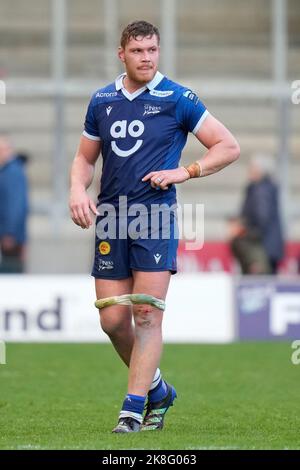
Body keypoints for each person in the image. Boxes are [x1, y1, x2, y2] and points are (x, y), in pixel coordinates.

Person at [69, 20, 240, 433]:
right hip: (111, 218)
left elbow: (228, 146)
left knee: (145, 314)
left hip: (154, 218)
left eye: (152, 51)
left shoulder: (178, 98)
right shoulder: (102, 100)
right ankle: (159, 389)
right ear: (122, 54)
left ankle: (132, 409)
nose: (146, 58)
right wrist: (77, 188)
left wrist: (187, 171)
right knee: (112, 320)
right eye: (138, 51)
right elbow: (85, 159)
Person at [241, 154, 284, 274]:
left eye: (252, 168)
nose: (249, 171)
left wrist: (246, 233)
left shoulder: (260, 190)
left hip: (261, 248)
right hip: (270, 245)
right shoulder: (268, 187)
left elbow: (261, 218)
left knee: (261, 285)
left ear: (260, 171)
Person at [0, 136, 29, 273]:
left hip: (10, 237)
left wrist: (9, 233)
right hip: (11, 235)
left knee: (10, 275)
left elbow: (15, 206)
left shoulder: (12, 172)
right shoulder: (10, 171)